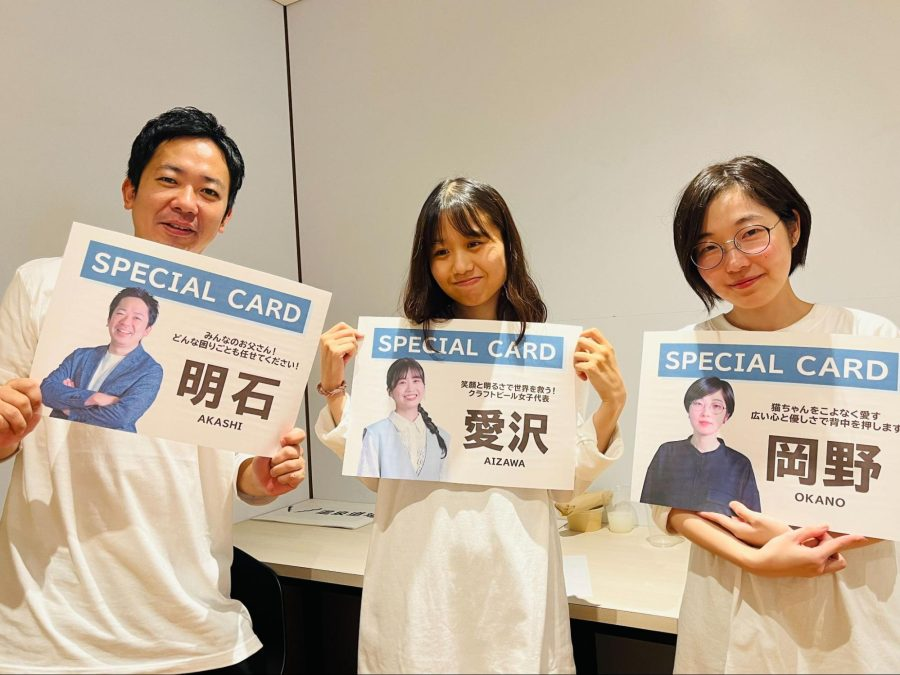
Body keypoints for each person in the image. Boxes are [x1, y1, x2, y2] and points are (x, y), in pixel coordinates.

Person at [0, 107, 307, 674]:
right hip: (50, 633)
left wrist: (262, 478)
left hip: (198, 634)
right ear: (129, 191)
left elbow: (240, 478)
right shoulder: (44, 284)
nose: (187, 202)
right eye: (169, 180)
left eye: (208, 192)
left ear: (225, 217)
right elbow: (16, 421)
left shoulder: (245, 326)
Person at [316, 177, 626, 673]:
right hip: (417, 579)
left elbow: (564, 487)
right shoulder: (401, 349)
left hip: (513, 579)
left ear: (508, 246)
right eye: (441, 252)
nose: (460, 265)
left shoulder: (544, 353)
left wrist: (611, 404)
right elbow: (377, 473)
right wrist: (335, 387)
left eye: (475, 243)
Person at [658, 155, 899, 673]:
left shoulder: (870, 338)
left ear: (792, 226)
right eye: (708, 248)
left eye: (751, 234)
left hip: (848, 603)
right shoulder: (688, 349)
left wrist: (804, 539)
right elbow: (670, 504)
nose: (734, 262)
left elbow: (891, 495)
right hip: (727, 601)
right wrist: (756, 558)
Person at [40, 286, 163, 433]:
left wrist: (70, 409)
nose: (125, 322)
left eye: (137, 318)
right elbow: (46, 390)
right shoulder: (80, 356)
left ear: (147, 330)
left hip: (108, 444)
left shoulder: (150, 370)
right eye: (120, 313)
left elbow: (121, 417)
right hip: (58, 437)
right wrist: (94, 397)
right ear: (109, 319)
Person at [640, 376, 760, 516]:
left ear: (726, 416)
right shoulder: (667, 453)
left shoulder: (740, 465)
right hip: (668, 531)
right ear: (688, 410)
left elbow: (752, 519)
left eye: (716, 406)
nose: (705, 413)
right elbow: (648, 507)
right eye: (698, 403)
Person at [358, 357, 449, 481]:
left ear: (424, 386)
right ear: (389, 391)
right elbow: (368, 482)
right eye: (402, 382)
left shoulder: (442, 436)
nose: (410, 388)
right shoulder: (374, 434)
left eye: (416, 380)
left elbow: (445, 484)